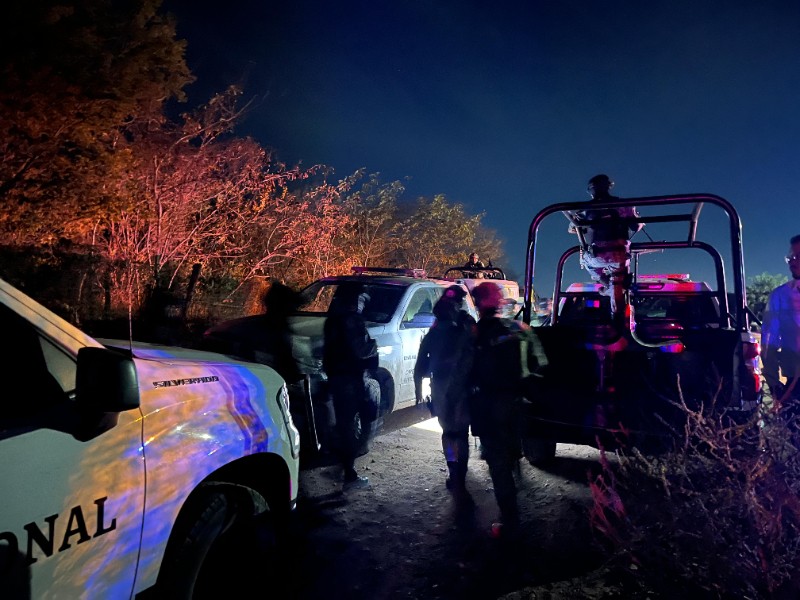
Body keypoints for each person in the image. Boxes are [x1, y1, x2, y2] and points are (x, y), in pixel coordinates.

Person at [470, 281, 548, 537]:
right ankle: (516, 480)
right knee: (510, 449)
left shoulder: (475, 332)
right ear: (501, 302)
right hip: (516, 403)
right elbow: (541, 363)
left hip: (490, 404)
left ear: (480, 303)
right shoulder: (520, 328)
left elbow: (467, 370)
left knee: (497, 462)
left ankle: (510, 521)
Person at [414, 285, 476, 501]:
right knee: (460, 434)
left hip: (441, 386)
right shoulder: (465, 325)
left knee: (450, 434)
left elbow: (422, 363)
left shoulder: (437, 328)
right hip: (460, 387)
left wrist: (419, 393)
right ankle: (459, 476)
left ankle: (454, 473)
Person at [323, 284, 379, 490]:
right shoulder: (352, 321)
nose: (363, 304)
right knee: (355, 425)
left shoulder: (332, 320)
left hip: (337, 378)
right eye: (361, 299)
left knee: (343, 424)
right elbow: (362, 350)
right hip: (351, 379)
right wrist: (373, 346)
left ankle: (343, 467)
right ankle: (350, 473)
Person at [567, 174, 643, 317]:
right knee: (621, 268)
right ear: (609, 186)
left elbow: (572, 228)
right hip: (620, 254)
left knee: (587, 262)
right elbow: (635, 226)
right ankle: (617, 287)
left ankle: (606, 284)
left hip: (597, 255)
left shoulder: (584, 209)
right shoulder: (624, 205)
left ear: (591, 191)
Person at [762, 235, 800, 413]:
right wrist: (774, 385)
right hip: (796, 384)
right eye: (791, 257)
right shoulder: (781, 296)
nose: (792, 262)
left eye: (799, 257)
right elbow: (769, 342)